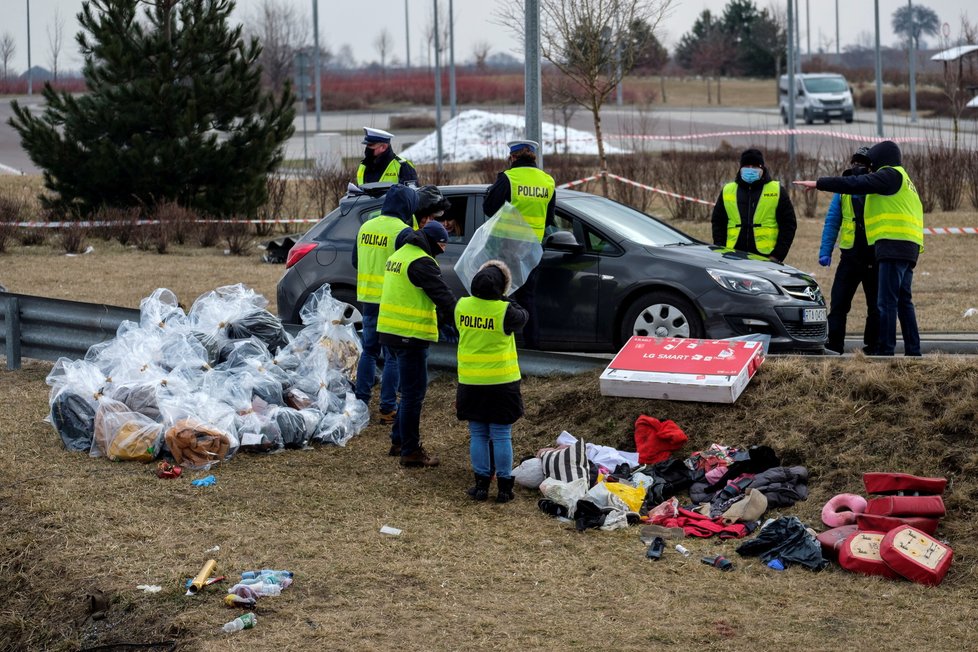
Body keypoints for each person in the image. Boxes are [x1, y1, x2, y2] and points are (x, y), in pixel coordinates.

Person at [795, 140, 923, 357]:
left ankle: (884, 350)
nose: (868, 168)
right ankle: (913, 351)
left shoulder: (889, 175)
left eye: (871, 163)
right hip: (907, 247)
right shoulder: (905, 180)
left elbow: (854, 184)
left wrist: (819, 183)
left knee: (885, 303)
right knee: (903, 301)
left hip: (893, 246)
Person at [378, 220, 457, 467]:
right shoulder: (422, 261)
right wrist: (462, 319)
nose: (443, 250)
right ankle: (410, 451)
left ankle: (399, 440)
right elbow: (443, 296)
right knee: (414, 394)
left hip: (391, 331)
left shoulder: (401, 254)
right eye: (442, 245)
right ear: (432, 242)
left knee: (409, 392)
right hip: (409, 334)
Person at [454, 260, 528, 503]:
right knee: (501, 434)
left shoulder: (462, 306)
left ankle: (481, 485)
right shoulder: (505, 311)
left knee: (477, 433)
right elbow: (523, 316)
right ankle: (505, 488)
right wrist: (507, 297)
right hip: (501, 383)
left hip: (471, 381)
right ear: (502, 288)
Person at [351, 184, 415, 424]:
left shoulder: (366, 227)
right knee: (392, 357)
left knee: (368, 351)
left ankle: (360, 402)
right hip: (390, 301)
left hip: (367, 299)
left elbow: (356, 261)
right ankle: (388, 408)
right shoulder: (403, 231)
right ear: (407, 206)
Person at [483, 139, 555, 349]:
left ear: (513, 157)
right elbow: (549, 218)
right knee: (528, 298)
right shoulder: (547, 181)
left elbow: (489, 208)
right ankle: (533, 348)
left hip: (506, 247)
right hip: (532, 249)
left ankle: (505, 344)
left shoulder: (509, 178)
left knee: (503, 295)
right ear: (533, 156)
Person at [818, 147, 879, 355]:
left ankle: (873, 347)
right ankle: (834, 345)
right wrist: (826, 250)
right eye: (855, 163)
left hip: (874, 255)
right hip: (850, 256)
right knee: (839, 303)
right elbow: (833, 220)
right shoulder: (843, 189)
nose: (857, 167)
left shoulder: (878, 186)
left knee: (875, 306)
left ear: (872, 167)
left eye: (862, 164)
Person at [711, 148, 797, 263]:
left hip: (766, 258)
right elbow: (718, 222)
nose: (750, 170)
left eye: (755, 167)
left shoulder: (776, 190)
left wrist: (777, 255)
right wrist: (721, 250)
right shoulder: (728, 190)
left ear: (762, 168)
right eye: (746, 166)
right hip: (732, 255)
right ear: (740, 168)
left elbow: (789, 225)